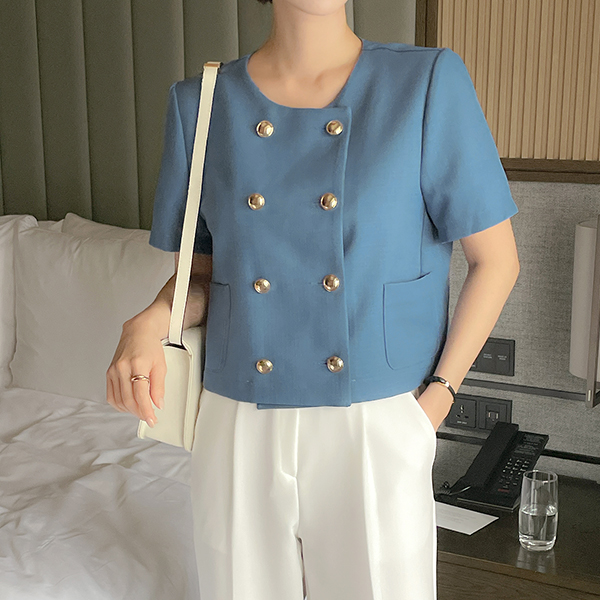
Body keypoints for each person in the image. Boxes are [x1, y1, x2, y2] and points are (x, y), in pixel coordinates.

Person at [106, 0, 520, 598]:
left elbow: (497, 261)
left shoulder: (425, 83)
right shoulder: (200, 103)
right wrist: (148, 320)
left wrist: (435, 401)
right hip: (239, 418)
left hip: (373, 422)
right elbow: (203, 277)